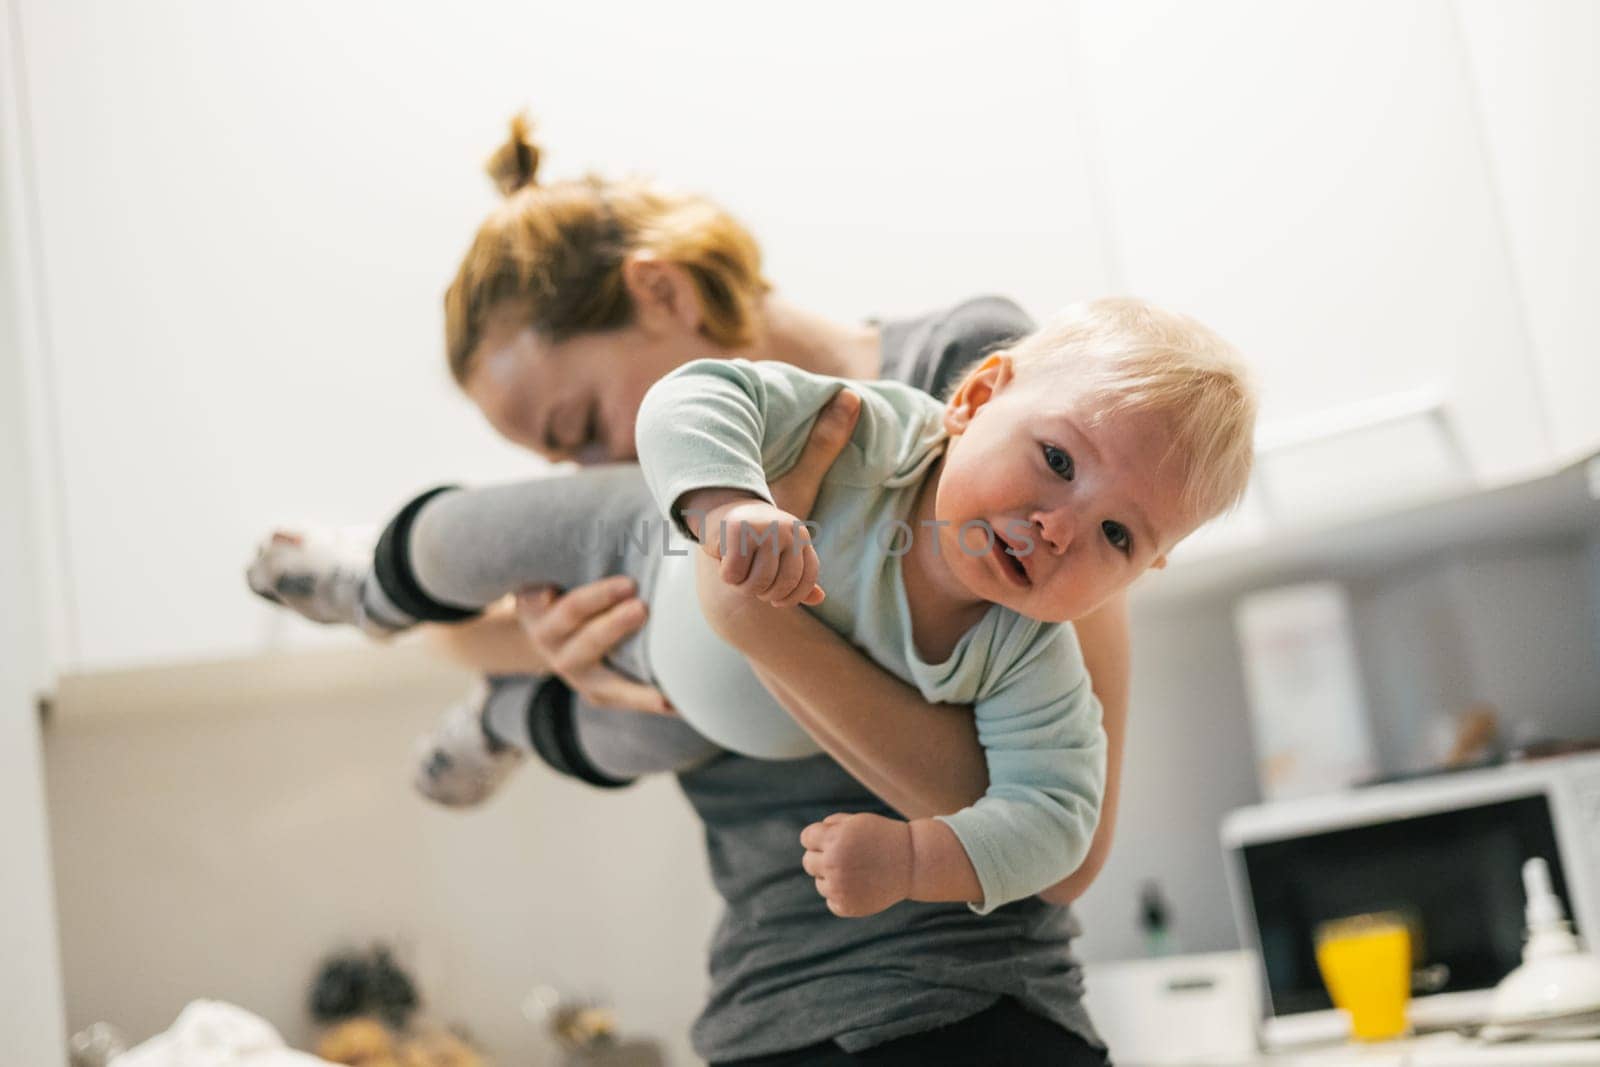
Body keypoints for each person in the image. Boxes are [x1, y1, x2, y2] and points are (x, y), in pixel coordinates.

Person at [254, 114, 1159, 1065]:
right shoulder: (666, 514)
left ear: (661, 290)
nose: (595, 474)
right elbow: (476, 626)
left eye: (586, 424)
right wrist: (558, 650)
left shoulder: (973, 390)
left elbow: (1071, 845)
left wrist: (759, 627)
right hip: (755, 1012)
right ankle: (504, 718)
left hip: (960, 1001)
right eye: (561, 463)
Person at [254, 300, 1254, 919]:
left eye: (1119, 536)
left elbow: (1056, 827)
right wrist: (727, 500)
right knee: (469, 534)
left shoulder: (1025, 656)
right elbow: (695, 399)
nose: (1060, 525)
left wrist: (916, 858)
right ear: (976, 395)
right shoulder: (863, 429)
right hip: (636, 551)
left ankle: (499, 717)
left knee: (623, 738)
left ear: (1140, 573)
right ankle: (371, 582)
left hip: (694, 713)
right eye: (1056, 460)